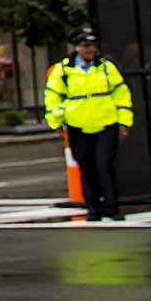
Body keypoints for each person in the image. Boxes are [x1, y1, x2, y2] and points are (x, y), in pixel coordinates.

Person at [45, 29, 135, 221]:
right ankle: (94, 208)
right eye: (86, 46)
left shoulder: (106, 67)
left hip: (105, 124)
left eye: (93, 45)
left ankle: (112, 206)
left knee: (104, 164)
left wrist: (124, 121)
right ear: (77, 47)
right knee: (86, 167)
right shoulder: (63, 70)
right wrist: (56, 122)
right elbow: (52, 96)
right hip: (78, 126)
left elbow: (121, 93)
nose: (91, 50)